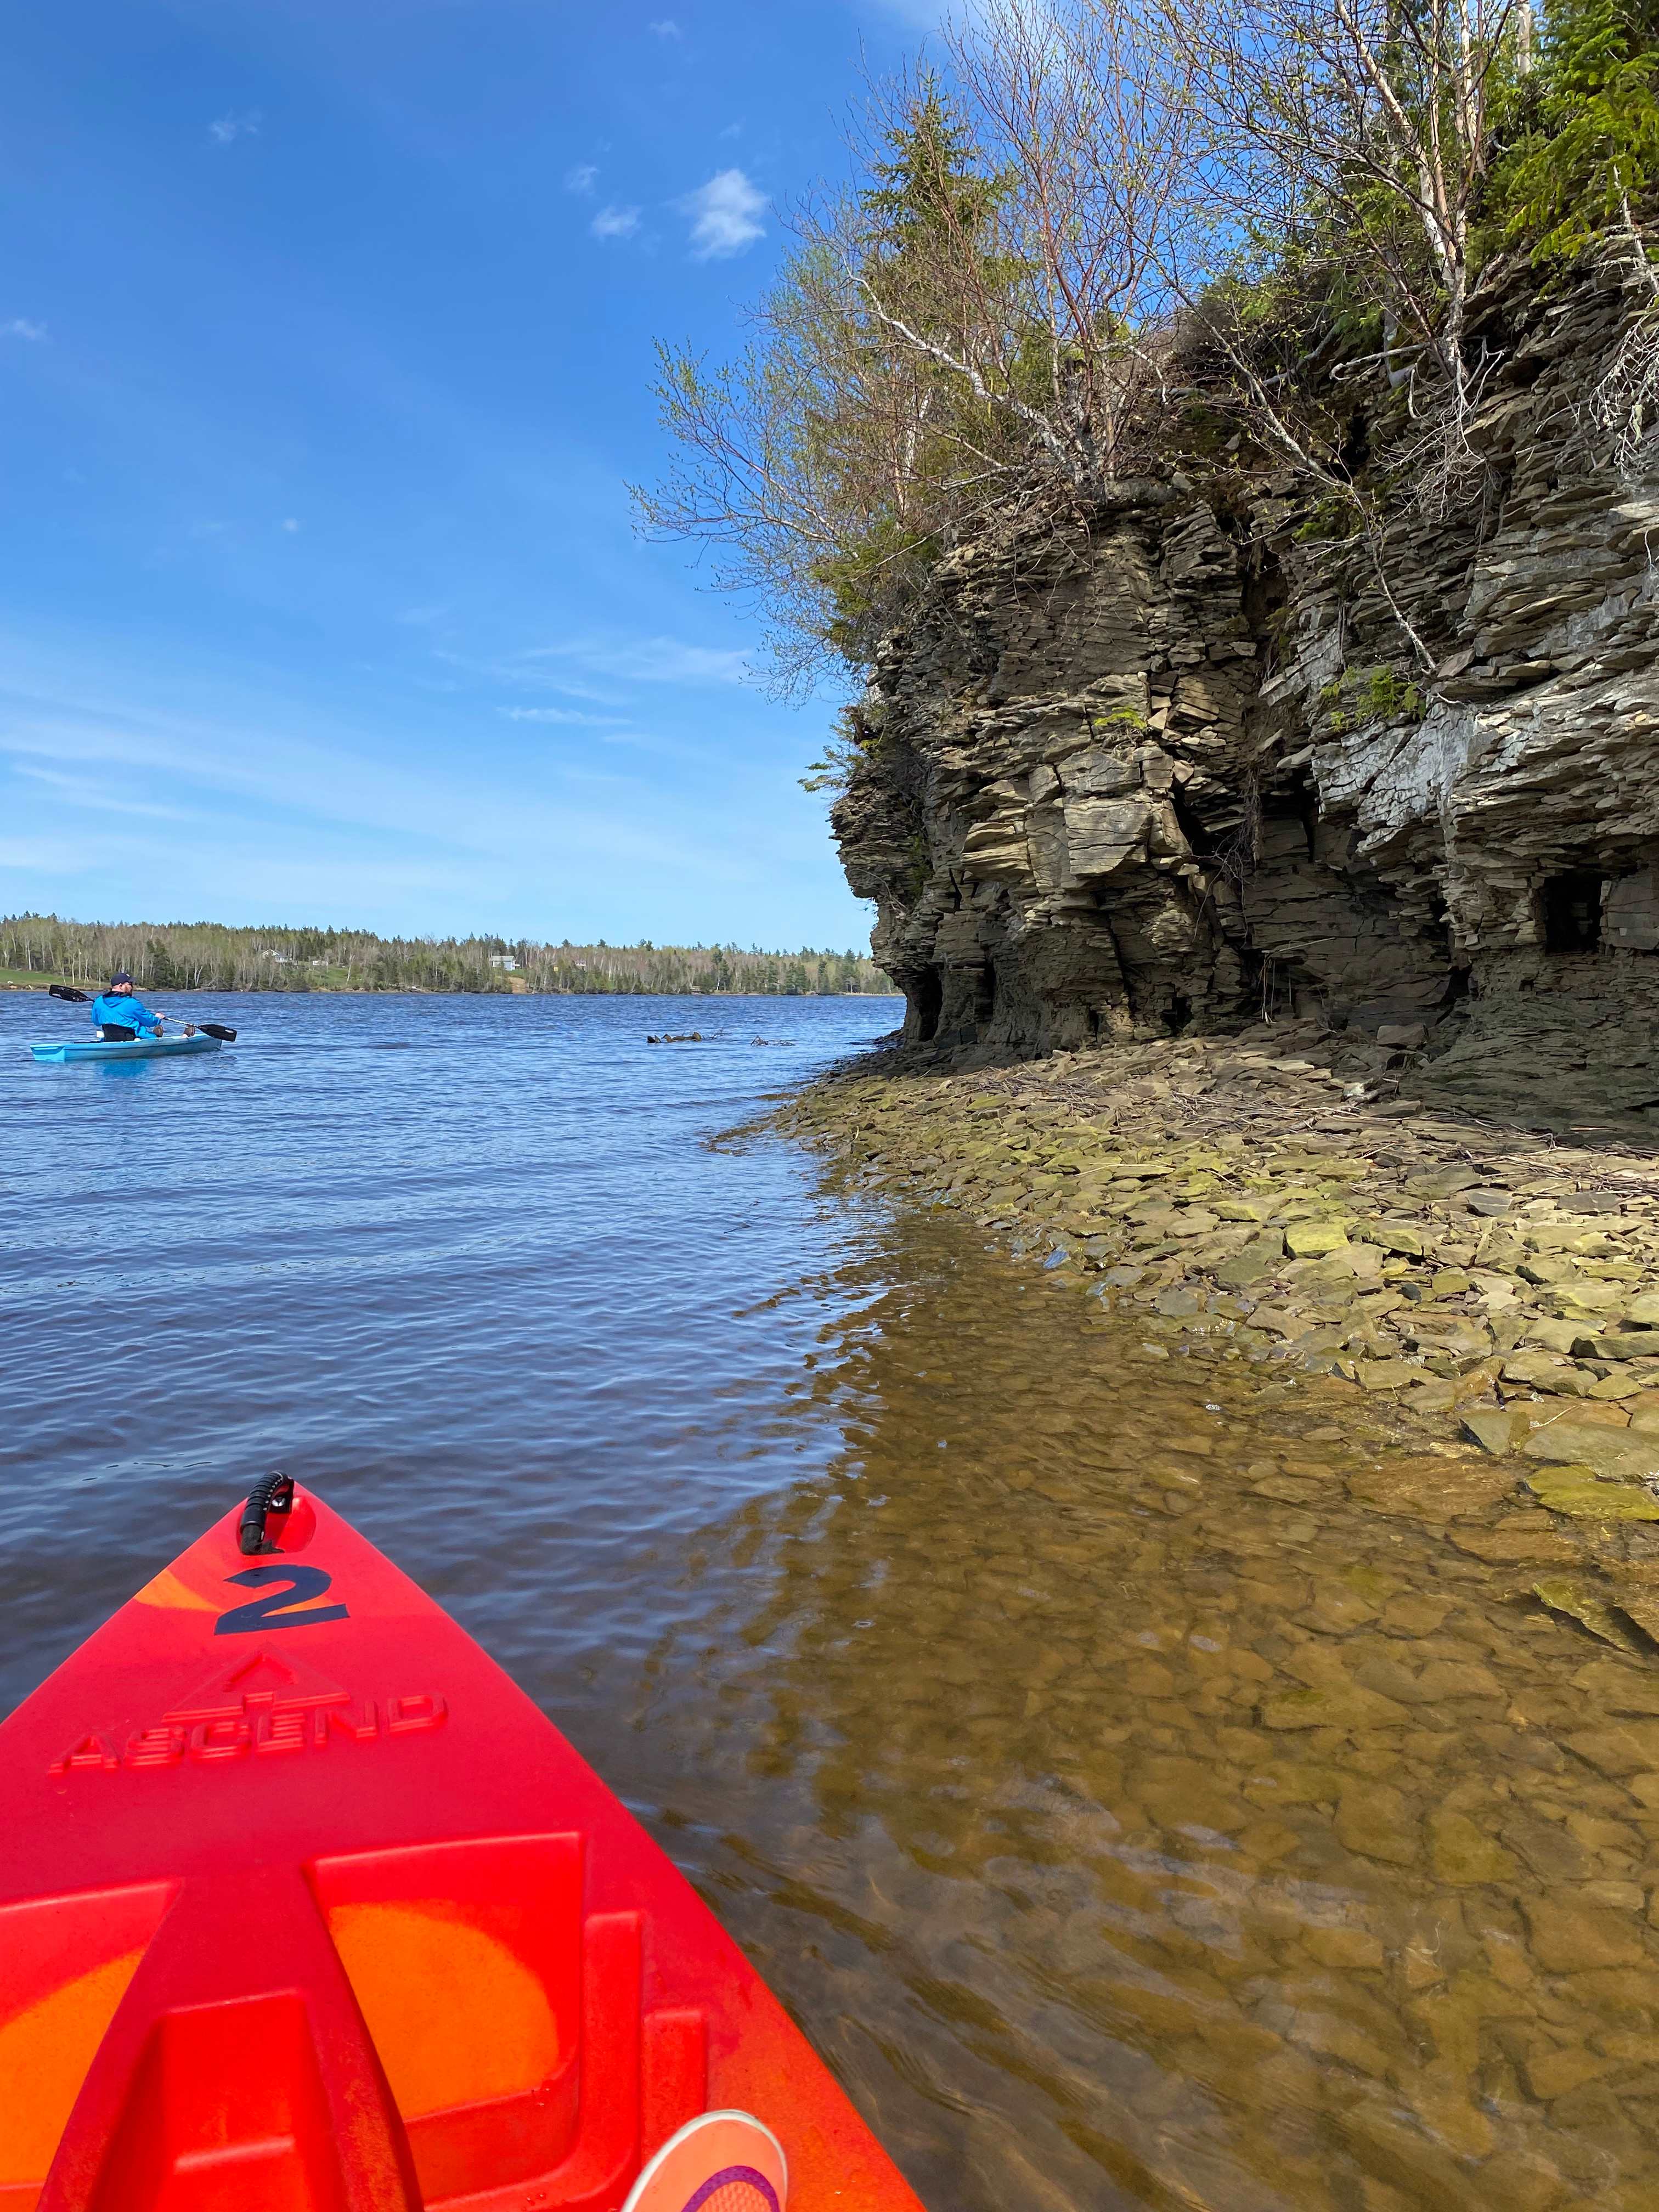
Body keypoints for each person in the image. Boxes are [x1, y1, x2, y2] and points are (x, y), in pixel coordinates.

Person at [90, 972, 195, 1041]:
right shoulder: (132, 1003)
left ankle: (157, 1035)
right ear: (121, 986)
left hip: (110, 1039)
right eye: (130, 984)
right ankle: (184, 1037)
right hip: (133, 1039)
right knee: (151, 1034)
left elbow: (96, 1022)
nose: (132, 987)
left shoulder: (99, 1001)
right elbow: (150, 1022)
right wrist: (158, 1019)